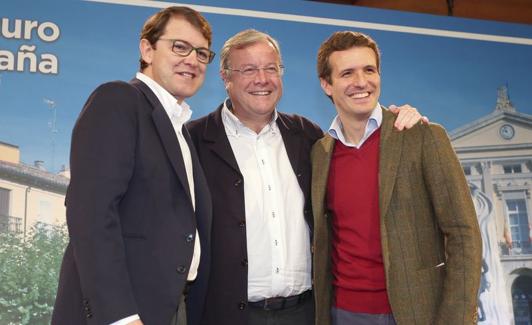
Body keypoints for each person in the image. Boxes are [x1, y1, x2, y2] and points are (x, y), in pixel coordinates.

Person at [187, 29, 423, 325]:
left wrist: (401, 117)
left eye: (271, 68)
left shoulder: (308, 137)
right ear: (225, 77)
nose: (262, 79)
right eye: (248, 69)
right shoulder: (193, 141)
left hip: (305, 313)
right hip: (225, 315)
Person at [52, 6, 213, 325]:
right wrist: (121, 317)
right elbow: (92, 215)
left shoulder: (180, 128)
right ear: (147, 49)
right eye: (179, 46)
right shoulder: (119, 100)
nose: (192, 60)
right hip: (125, 314)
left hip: (169, 308)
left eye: (202, 53)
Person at [311, 31, 482, 325]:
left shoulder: (423, 136)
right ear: (327, 84)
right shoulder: (320, 153)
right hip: (342, 313)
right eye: (347, 73)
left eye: (369, 70)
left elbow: (463, 234)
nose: (362, 82)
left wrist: (456, 318)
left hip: (417, 312)